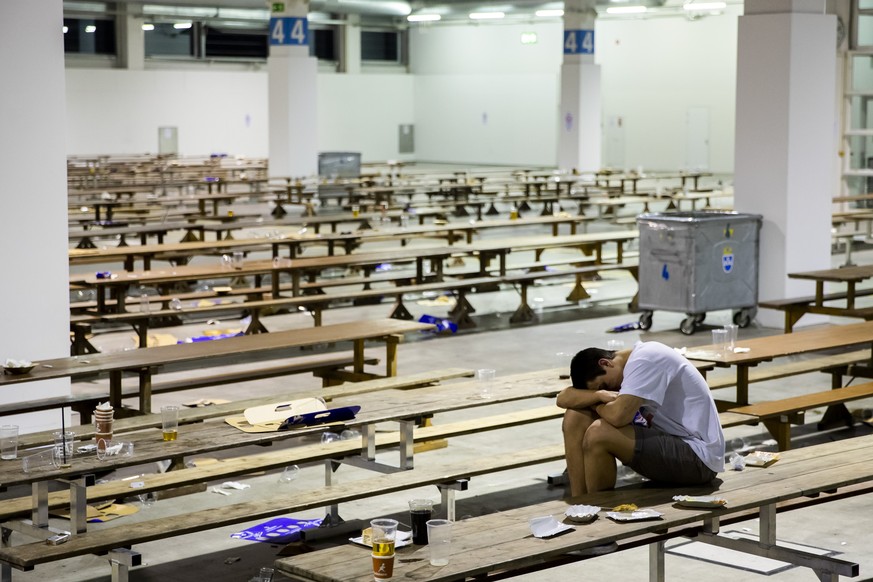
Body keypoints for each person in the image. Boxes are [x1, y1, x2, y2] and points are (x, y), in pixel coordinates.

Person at [556, 341, 724, 497]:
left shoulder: (646, 359)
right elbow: (563, 398)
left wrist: (595, 403)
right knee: (575, 417)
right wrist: (598, 395)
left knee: (598, 433)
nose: (610, 390)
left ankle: (597, 509)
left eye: (604, 386)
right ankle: (579, 504)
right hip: (671, 443)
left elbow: (618, 416)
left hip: (699, 457)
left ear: (605, 363)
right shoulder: (631, 363)